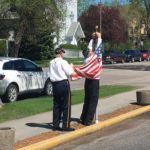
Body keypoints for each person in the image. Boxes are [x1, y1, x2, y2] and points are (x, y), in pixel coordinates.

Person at [49, 47, 75, 131]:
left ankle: (55, 125)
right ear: (60, 53)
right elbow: (70, 73)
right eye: (63, 52)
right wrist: (71, 66)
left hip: (55, 84)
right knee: (66, 106)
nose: (64, 54)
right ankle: (65, 125)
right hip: (63, 84)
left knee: (56, 105)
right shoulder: (63, 62)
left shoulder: (51, 62)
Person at [80, 31, 103, 126]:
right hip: (94, 81)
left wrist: (92, 39)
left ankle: (83, 117)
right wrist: (99, 37)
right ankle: (88, 120)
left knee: (87, 100)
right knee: (93, 101)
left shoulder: (86, 59)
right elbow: (98, 48)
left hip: (87, 81)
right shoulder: (94, 58)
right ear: (89, 53)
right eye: (90, 51)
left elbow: (90, 48)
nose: (91, 50)